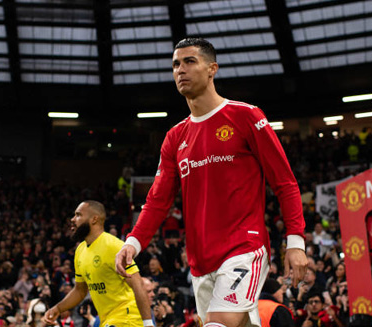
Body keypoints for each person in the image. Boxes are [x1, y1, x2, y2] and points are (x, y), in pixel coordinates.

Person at [115, 37, 307, 327]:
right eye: (175, 64)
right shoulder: (174, 137)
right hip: (200, 261)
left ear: (212, 69)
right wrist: (134, 242)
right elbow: (158, 200)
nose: (180, 69)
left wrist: (296, 242)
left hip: (244, 248)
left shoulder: (246, 116)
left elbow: (285, 183)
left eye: (190, 61)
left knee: (218, 323)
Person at [42, 200, 153, 327]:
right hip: (107, 320)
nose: (73, 219)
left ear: (94, 219)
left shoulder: (113, 246)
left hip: (127, 318)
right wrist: (58, 309)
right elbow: (80, 290)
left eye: (78, 215)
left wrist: (148, 323)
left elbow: (138, 283)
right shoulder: (80, 250)